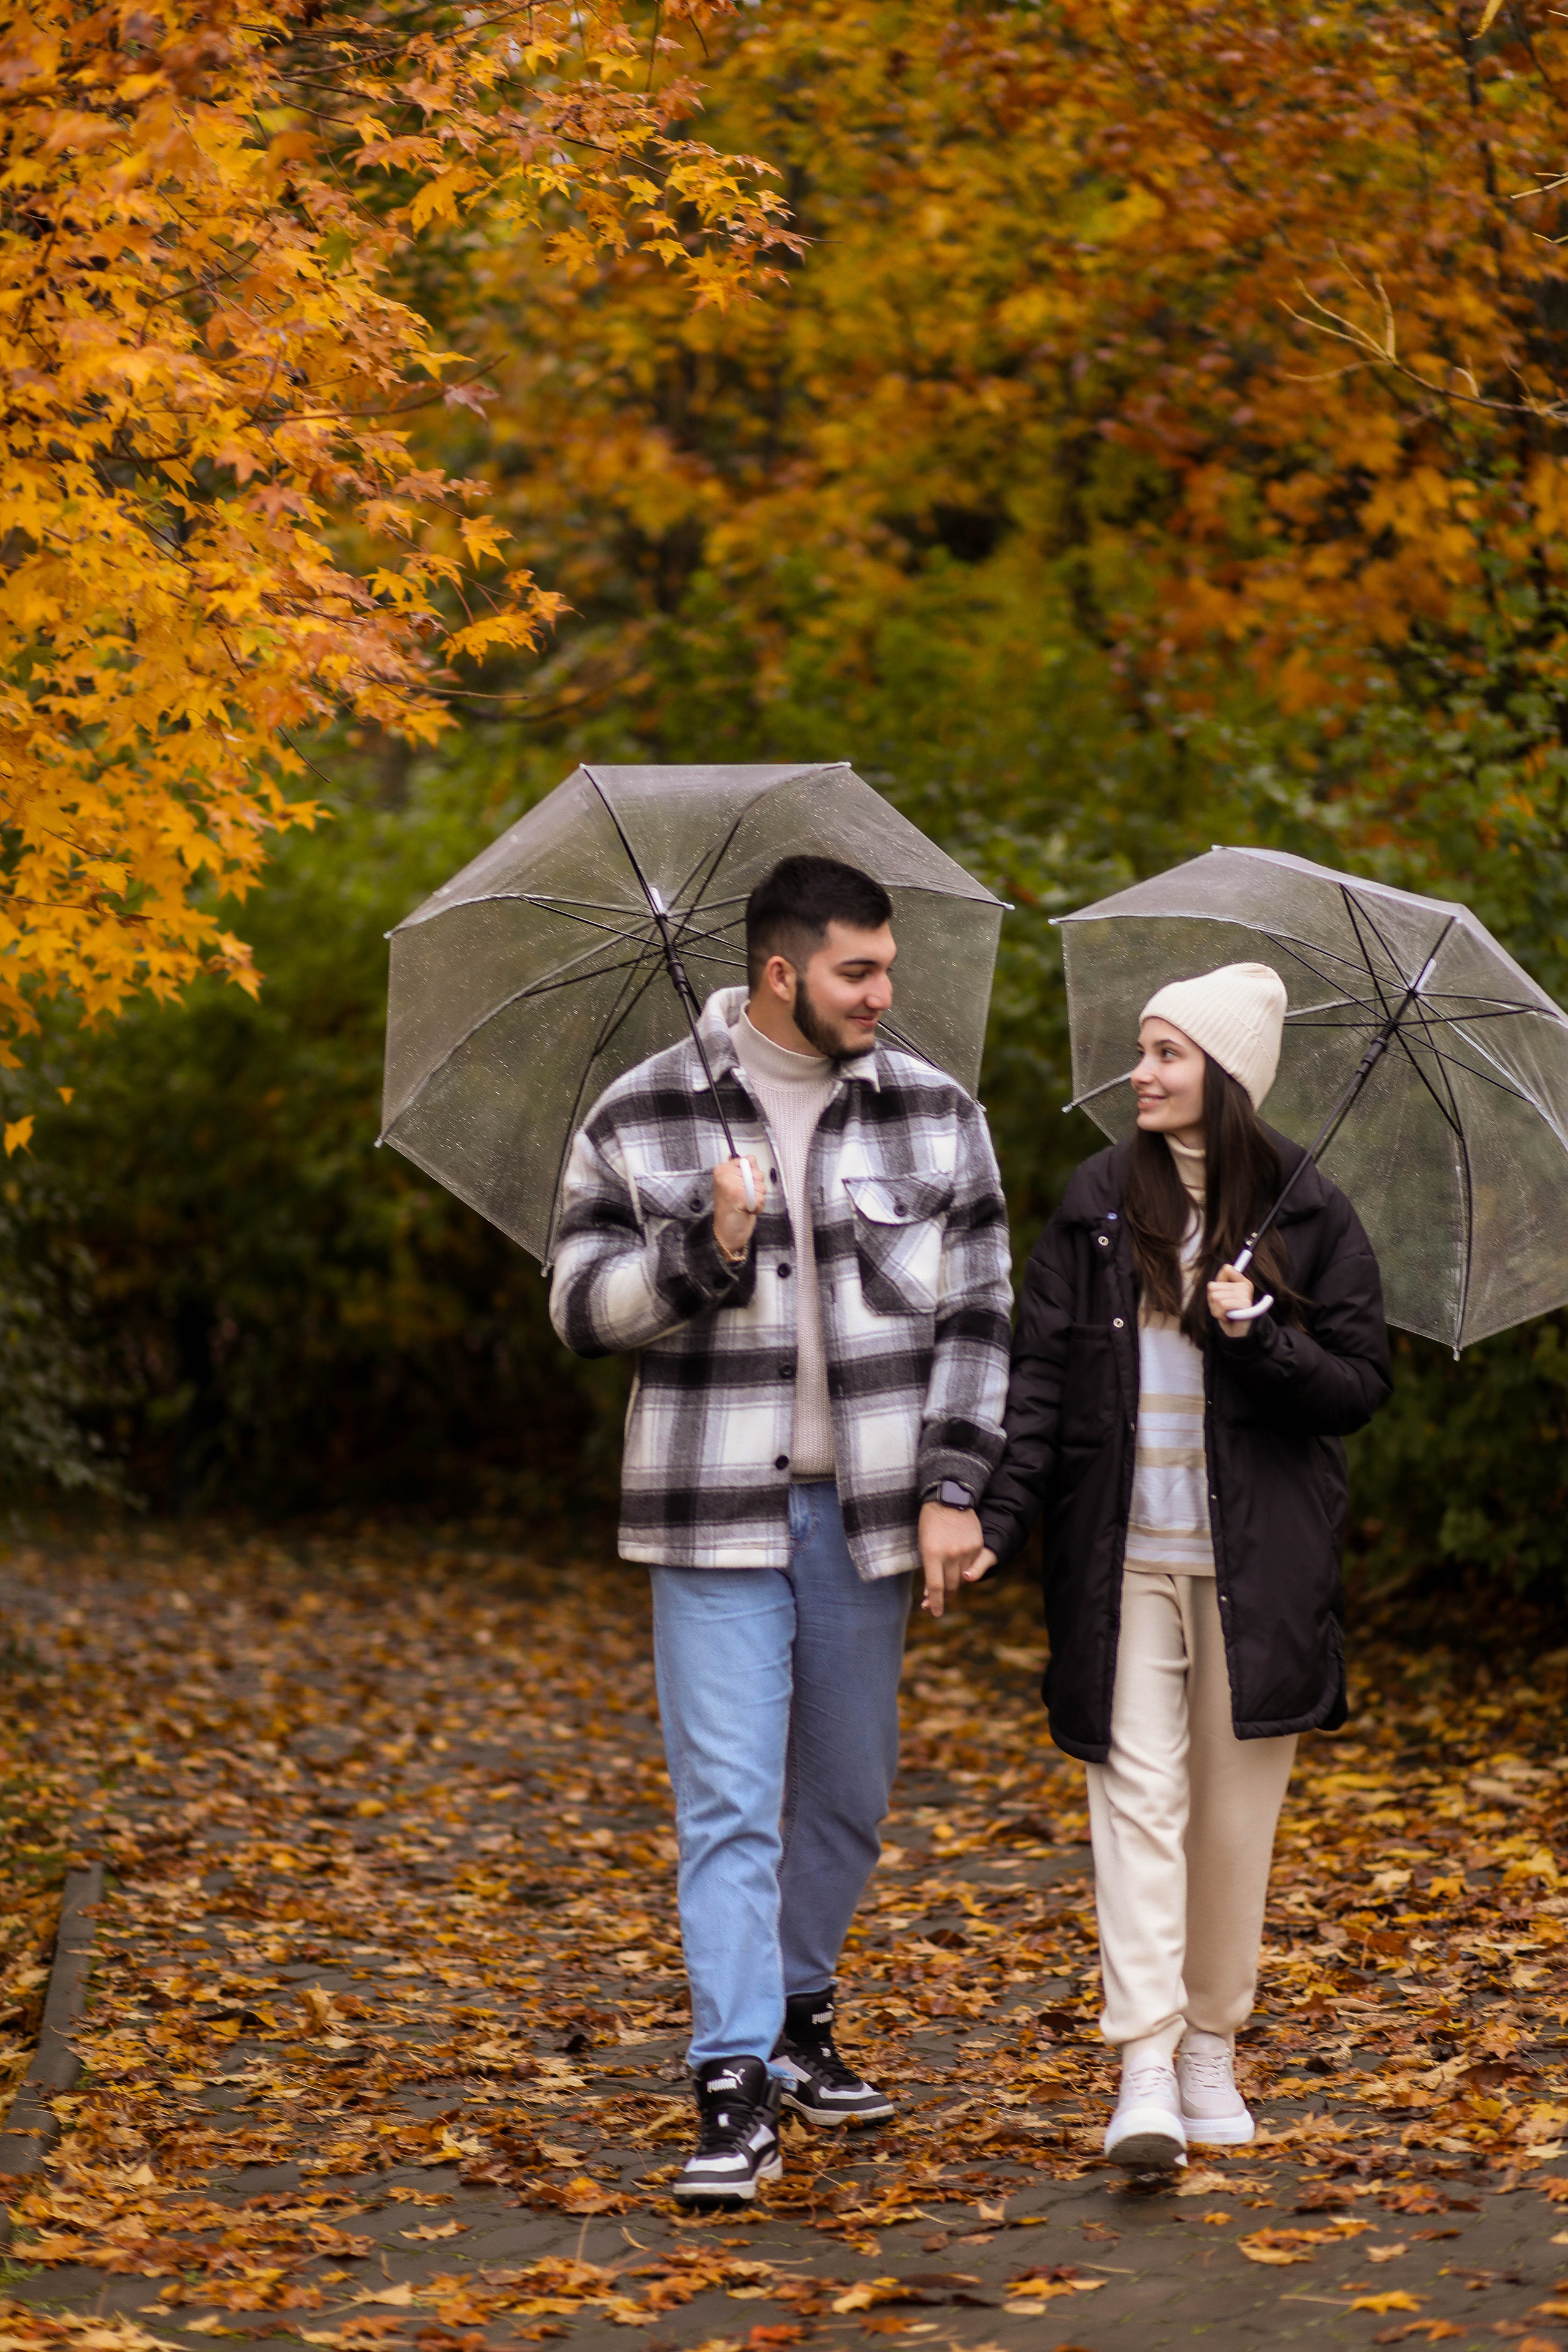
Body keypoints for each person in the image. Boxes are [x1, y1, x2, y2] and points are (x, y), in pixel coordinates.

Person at [549, 854, 1012, 2201]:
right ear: (778, 972)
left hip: (868, 1518)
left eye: (886, 968)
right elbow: (575, 1307)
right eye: (856, 972)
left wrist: (953, 1486)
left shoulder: (938, 1115)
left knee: (848, 1798)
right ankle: (731, 2079)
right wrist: (702, 1246)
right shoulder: (642, 1111)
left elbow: (980, 1316)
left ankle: (801, 2015)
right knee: (729, 1804)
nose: (881, 994)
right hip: (710, 1515)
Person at [977, 962, 1390, 2170]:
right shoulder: (1099, 1197)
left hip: (1258, 1569)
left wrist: (1258, 1337)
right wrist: (1000, 1517)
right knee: (1136, 1806)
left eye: (1166, 1053)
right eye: (1141, 1049)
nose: (1140, 1073)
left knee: (1229, 1823)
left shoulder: (1311, 1211)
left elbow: (1359, 1388)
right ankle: (1145, 2065)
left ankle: (1212, 2043)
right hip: (1121, 1557)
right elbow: (1040, 1375)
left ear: (1226, 1074)